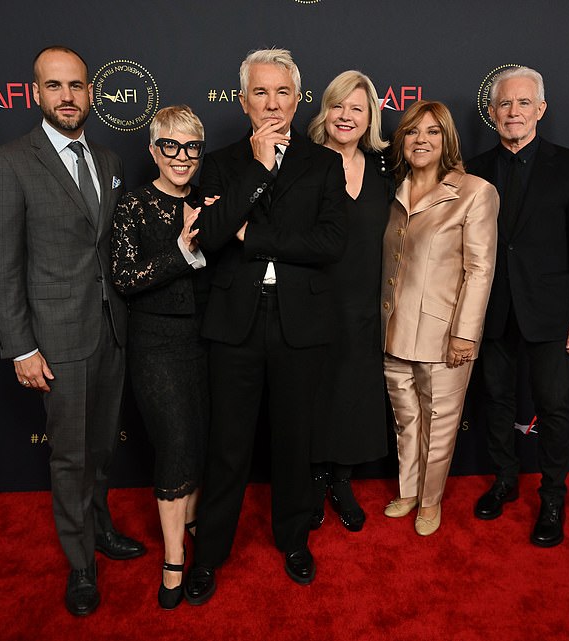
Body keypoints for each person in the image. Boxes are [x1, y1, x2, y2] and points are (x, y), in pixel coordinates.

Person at [0, 45, 145, 617]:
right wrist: (21, 345)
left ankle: (99, 527)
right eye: (55, 87)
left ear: (90, 94)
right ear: (35, 94)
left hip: (110, 331)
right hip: (55, 339)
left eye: (76, 86)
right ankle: (80, 565)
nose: (68, 97)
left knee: (100, 450)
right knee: (70, 458)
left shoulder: (107, 158)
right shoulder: (10, 162)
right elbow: (2, 266)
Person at [183, 48, 347, 605]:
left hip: (301, 322)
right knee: (228, 445)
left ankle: (294, 539)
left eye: (281, 93)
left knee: (294, 441)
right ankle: (210, 554)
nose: (272, 103)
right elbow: (208, 237)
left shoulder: (323, 164)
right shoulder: (225, 162)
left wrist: (253, 238)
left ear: (298, 100)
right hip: (235, 322)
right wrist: (256, 167)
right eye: (260, 92)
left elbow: (331, 244)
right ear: (242, 100)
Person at [466, 66, 569, 547]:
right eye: (505, 104)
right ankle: (504, 480)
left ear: (541, 110)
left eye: (524, 103)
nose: (514, 112)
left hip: (549, 310)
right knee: (496, 400)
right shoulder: (473, 170)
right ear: (492, 111)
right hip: (492, 308)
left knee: (554, 406)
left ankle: (552, 497)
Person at [111, 105, 213, 609]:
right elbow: (125, 279)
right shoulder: (133, 205)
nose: (181, 156)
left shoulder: (209, 203)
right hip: (156, 347)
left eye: (191, 146)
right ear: (153, 150)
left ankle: (192, 519)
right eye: (170, 145)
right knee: (174, 444)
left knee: (197, 439)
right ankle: (174, 557)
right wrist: (178, 250)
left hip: (207, 343)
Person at [381, 100, 498, 536]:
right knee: (406, 419)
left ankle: (431, 502)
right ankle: (408, 490)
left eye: (432, 132)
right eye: (412, 132)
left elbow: (480, 269)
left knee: (440, 423)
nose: (421, 140)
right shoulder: (394, 190)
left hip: (444, 335)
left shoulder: (475, 192)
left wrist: (465, 334)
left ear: (447, 139)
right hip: (393, 330)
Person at [306, 70, 391, 532]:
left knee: (355, 393)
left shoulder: (384, 168)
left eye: (357, 108)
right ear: (325, 111)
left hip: (365, 304)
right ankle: (314, 478)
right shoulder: (305, 161)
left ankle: (341, 481)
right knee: (316, 394)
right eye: (338, 106)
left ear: (370, 116)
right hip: (314, 301)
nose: (346, 116)